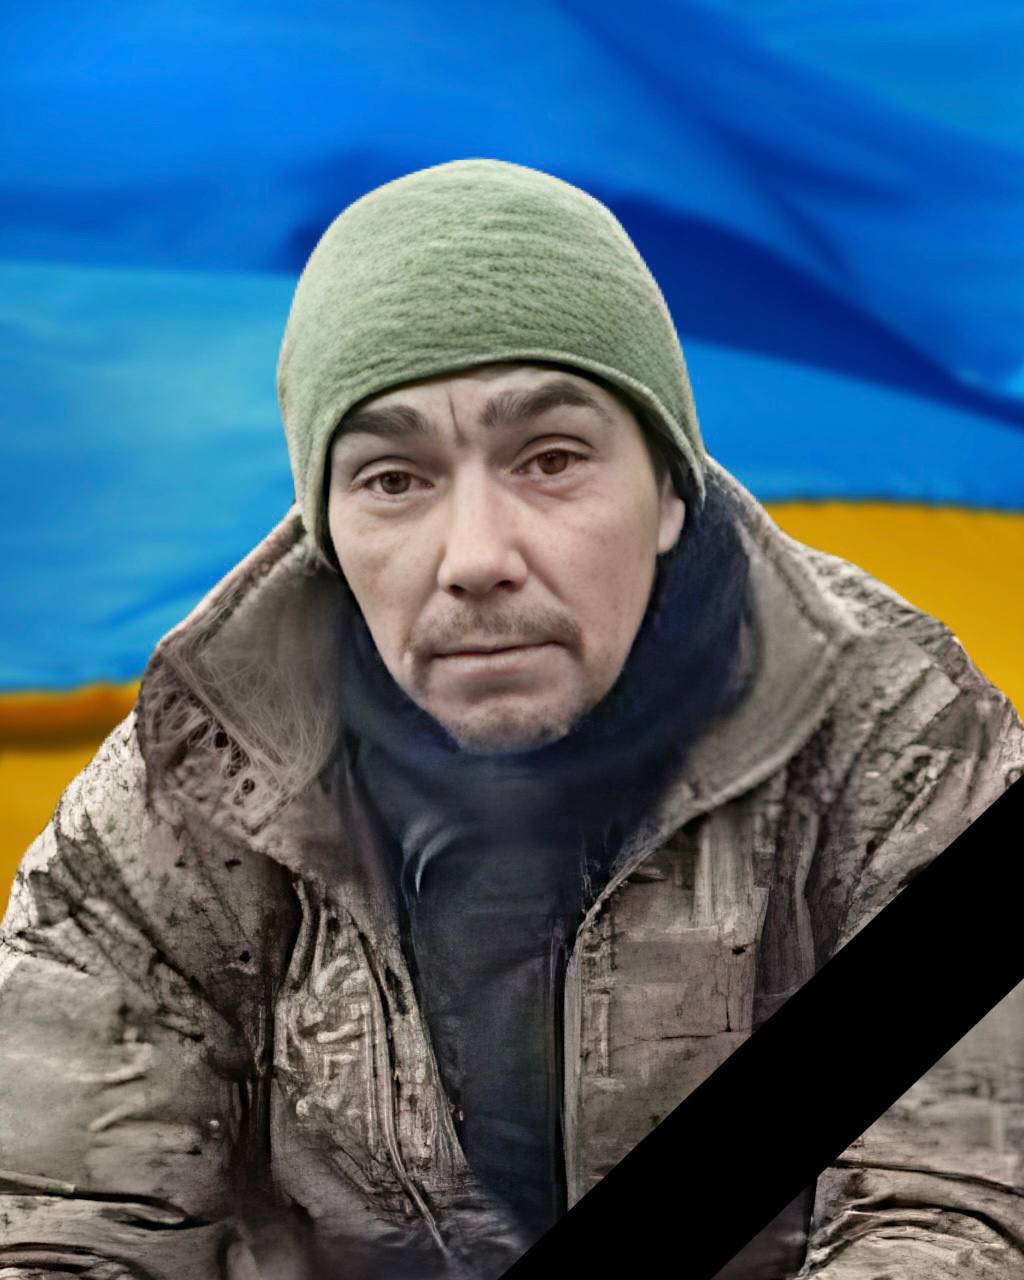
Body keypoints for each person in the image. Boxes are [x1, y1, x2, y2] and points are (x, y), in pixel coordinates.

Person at [0, 159, 1021, 1280]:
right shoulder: (192, 793)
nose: (476, 556)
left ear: (669, 491)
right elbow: (66, 1229)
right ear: (327, 533)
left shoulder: (904, 753)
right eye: (394, 479)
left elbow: (958, 1218)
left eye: (551, 459)